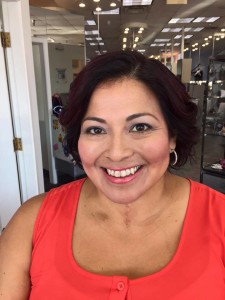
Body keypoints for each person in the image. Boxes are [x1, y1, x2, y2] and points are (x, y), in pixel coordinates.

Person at [0, 49, 224, 299]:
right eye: (96, 130)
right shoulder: (30, 223)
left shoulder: (220, 220)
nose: (117, 153)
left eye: (140, 127)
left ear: (172, 136)